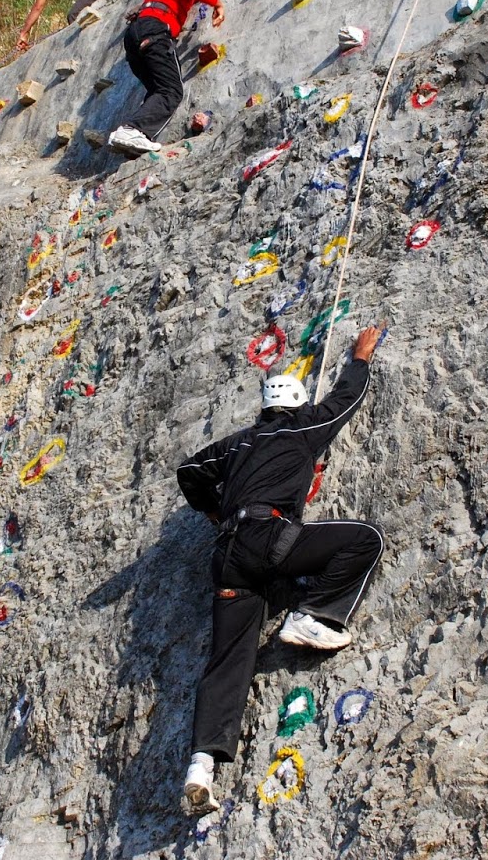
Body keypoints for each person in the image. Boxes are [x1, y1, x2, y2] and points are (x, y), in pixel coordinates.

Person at [174, 326, 386, 814]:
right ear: (294, 403)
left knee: (227, 660)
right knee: (364, 539)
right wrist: (359, 358)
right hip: (271, 539)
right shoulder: (301, 427)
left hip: (228, 556)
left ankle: (201, 765)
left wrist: (211, 511)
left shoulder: (237, 444)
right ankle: (312, 616)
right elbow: (345, 401)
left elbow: (189, 472)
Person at [107, 0, 223, 158]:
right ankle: (132, 130)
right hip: (156, 31)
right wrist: (216, 3)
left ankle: (135, 141)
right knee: (171, 90)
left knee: (157, 90)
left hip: (135, 35)